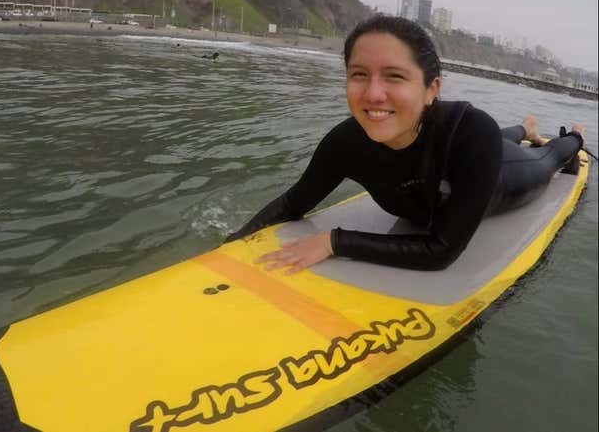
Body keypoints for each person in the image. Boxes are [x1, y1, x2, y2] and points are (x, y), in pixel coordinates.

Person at [225, 15, 584, 273]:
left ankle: (574, 135)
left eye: (394, 76)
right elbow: (293, 202)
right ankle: (524, 126)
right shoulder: (345, 142)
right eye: (358, 75)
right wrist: (232, 244)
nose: (372, 94)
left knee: (546, 158)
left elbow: (439, 251)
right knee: (503, 140)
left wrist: (333, 241)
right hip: (470, 152)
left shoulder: (473, 132)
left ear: (432, 90)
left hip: (504, 173)